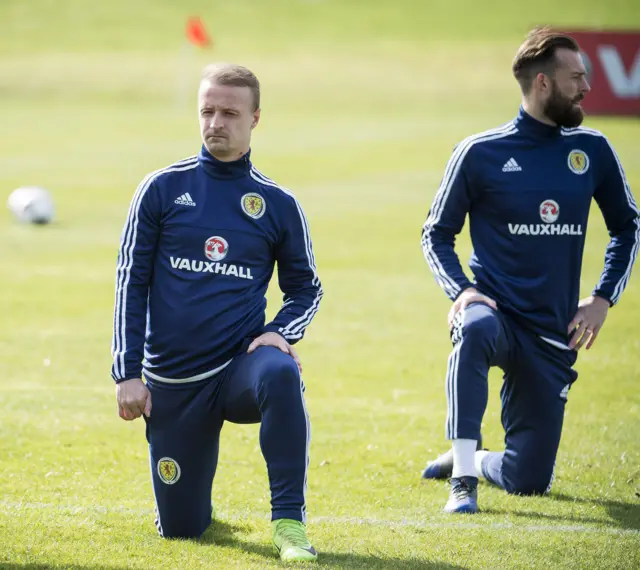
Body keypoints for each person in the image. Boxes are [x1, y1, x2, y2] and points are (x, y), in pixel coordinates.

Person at [420, 27, 639, 514]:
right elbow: (436, 233)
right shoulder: (480, 152)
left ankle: (477, 460)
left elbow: (629, 227)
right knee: (473, 329)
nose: (586, 87)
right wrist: (464, 291)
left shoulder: (593, 150)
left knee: (528, 480)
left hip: (551, 331)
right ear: (543, 84)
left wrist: (602, 298)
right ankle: (463, 476)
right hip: (494, 313)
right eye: (576, 77)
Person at [111, 63, 323, 561]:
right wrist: (127, 373)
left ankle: (289, 523)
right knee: (183, 530)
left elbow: (306, 289)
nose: (215, 123)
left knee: (279, 370)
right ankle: (191, 500)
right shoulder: (161, 190)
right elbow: (130, 283)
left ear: (255, 120)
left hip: (238, 371)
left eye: (230, 112)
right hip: (173, 382)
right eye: (207, 111)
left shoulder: (277, 203)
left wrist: (280, 332)